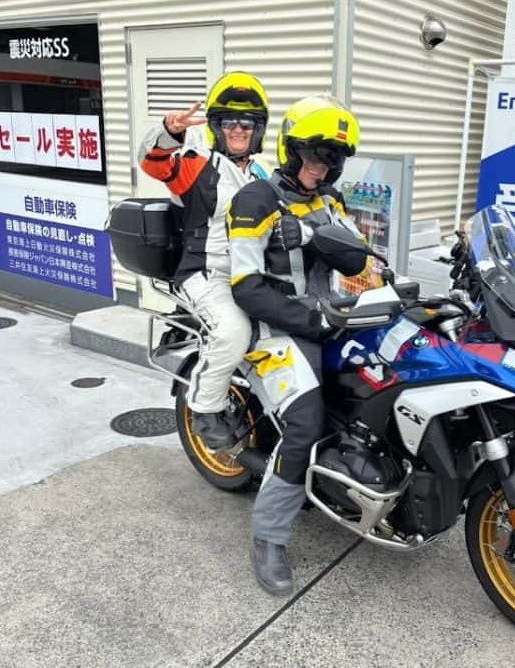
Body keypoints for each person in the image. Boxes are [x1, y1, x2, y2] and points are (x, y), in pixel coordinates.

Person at [226, 95, 359, 595]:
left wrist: (314, 235)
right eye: (315, 153)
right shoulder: (256, 200)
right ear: (291, 148)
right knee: (305, 424)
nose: (322, 165)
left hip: (329, 320)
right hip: (274, 329)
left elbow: (356, 261)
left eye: (333, 157)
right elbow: (246, 285)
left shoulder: (331, 202)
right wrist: (309, 320)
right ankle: (269, 536)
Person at [139, 72, 270, 450]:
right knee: (232, 331)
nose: (238, 130)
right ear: (216, 127)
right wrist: (168, 131)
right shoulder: (197, 163)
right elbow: (153, 162)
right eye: (229, 122)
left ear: (258, 130)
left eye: (247, 123)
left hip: (252, 273)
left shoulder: (260, 174)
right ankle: (204, 407)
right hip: (205, 272)